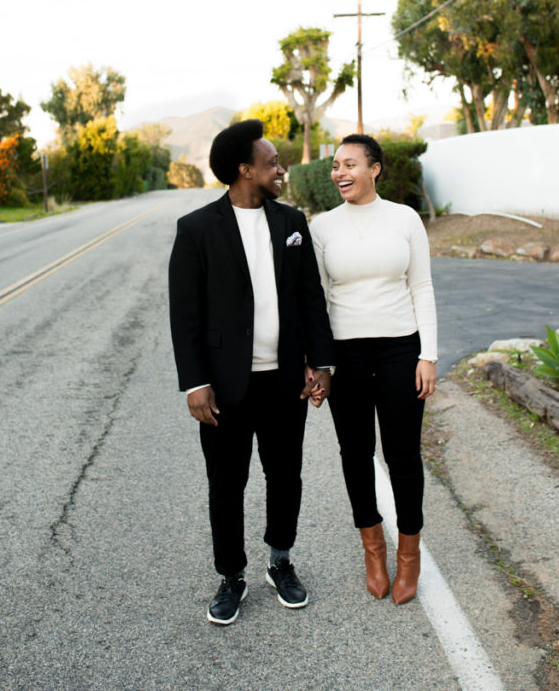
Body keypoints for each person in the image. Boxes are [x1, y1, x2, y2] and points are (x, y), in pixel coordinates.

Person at [168, 120, 334, 625]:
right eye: (271, 163)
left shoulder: (292, 223)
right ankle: (231, 575)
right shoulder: (197, 229)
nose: (280, 170)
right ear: (245, 170)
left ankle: (280, 561)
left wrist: (321, 363)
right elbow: (185, 313)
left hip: (283, 380)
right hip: (223, 386)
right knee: (226, 482)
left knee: (286, 475)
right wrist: (194, 382)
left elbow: (310, 299)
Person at [310, 133, 437, 605]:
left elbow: (421, 286)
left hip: (401, 350)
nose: (339, 173)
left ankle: (409, 556)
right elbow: (318, 302)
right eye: (335, 166)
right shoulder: (322, 228)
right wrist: (319, 365)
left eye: (349, 164)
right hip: (346, 356)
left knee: (404, 456)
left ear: (374, 168)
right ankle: (373, 550)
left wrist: (429, 355)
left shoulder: (405, 219)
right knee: (355, 453)